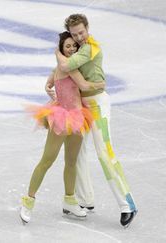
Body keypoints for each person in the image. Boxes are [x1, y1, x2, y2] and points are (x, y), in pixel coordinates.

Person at [52, 13, 138, 228]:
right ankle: (85, 200)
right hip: (80, 108)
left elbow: (65, 66)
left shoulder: (91, 48)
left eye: (81, 32)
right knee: (77, 153)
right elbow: (61, 70)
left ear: (87, 28)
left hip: (98, 105)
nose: (79, 37)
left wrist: (57, 51)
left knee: (104, 153)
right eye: (74, 34)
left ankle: (127, 204)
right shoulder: (76, 48)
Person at [20, 31, 105, 224]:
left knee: (71, 162)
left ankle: (70, 201)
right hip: (61, 118)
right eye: (67, 46)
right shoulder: (67, 66)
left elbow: (52, 79)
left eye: (74, 46)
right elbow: (83, 84)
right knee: (47, 161)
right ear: (61, 48)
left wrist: (50, 80)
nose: (72, 49)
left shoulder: (64, 65)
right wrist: (101, 83)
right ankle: (28, 201)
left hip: (77, 117)